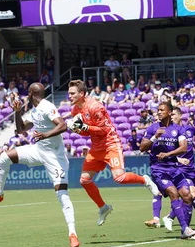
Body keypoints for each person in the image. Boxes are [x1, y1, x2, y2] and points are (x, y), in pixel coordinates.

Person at [0, 83, 80, 247]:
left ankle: (72, 233)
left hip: (55, 156)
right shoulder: (35, 110)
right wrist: (17, 112)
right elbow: (20, 130)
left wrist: (45, 135)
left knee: (62, 194)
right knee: (4, 157)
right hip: (38, 150)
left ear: (31, 94)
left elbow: (61, 125)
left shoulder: (47, 107)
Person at [67, 80, 159, 226]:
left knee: (120, 178)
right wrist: (78, 130)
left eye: (72, 93)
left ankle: (145, 180)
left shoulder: (95, 107)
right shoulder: (74, 110)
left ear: (82, 94)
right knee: (84, 180)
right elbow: (87, 133)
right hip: (96, 146)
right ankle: (103, 207)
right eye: (69, 92)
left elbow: (103, 130)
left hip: (110, 143)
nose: (69, 95)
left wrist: (84, 126)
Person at [139, 102, 195, 239]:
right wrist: (155, 137)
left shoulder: (178, 129)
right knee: (173, 193)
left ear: (170, 112)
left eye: (161, 110)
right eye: (157, 110)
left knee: (187, 196)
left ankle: (185, 229)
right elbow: (142, 147)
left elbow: (183, 148)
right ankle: (185, 228)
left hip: (174, 169)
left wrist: (168, 155)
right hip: (158, 170)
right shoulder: (153, 128)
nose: (158, 112)